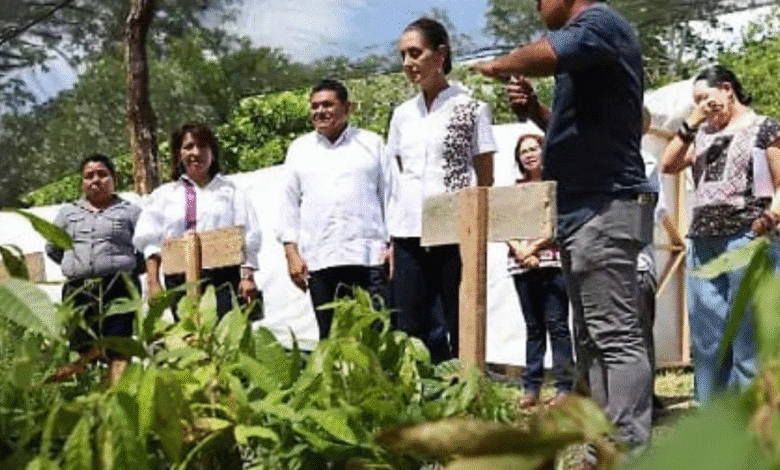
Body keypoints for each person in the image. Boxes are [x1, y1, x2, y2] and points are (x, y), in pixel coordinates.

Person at [474, 0, 655, 464]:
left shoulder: (600, 24)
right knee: (592, 339)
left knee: (614, 336)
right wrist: (536, 108)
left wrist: (501, 64)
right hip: (583, 208)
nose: (538, 5)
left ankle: (626, 449)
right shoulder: (592, 51)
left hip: (603, 204)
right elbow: (574, 132)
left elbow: (548, 52)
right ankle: (603, 446)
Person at [661, 65, 780, 406]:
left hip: (748, 236)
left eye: (705, 98)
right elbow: (668, 165)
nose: (702, 106)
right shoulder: (700, 133)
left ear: (727, 89)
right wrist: (691, 122)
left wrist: (770, 217)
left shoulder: (764, 127)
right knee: (707, 337)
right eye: (695, 101)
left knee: (749, 337)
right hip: (703, 241)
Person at [387, 17, 496, 361]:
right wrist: (390, 239)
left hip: (454, 230)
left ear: (441, 55)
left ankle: (467, 398)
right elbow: (398, 175)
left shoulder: (471, 109)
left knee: (460, 318)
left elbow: (485, 178)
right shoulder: (402, 115)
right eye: (403, 55)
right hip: (408, 233)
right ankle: (420, 400)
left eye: (415, 53)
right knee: (408, 323)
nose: (408, 63)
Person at [278, 79, 390, 339]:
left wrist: (393, 245)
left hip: (369, 258)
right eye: (315, 106)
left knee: (377, 336)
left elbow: (391, 196)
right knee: (332, 339)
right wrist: (291, 252)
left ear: (347, 107)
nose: (320, 111)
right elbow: (288, 205)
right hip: (321, 260)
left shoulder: (372, 144)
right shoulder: (299, 150)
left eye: (328, 104)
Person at [133, 123, 261, 318]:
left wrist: (247, 277)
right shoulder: (164, 195)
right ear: (178, 154)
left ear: (213, 152)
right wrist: (153, 282)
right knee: (189, 336)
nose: (196, 152)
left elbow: (248, 236)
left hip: (224, 277)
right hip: (179, 277)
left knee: (225, 338)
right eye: (188, 147)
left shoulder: (230, 191)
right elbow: (150, 242)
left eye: (202, 146)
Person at [45, 154, 142, 384]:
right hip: (79, 291)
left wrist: (122, 268)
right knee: (81, 346)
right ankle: (87, 397)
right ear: (81, 183)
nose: (95, 180)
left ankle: (117, 399)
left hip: (119, 288)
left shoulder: (130, 211)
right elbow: (53, 247)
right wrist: (77, 266)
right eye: (89, 176)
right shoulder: (67, 213)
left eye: (102, 174)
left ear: (113, 178)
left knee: (118, 346)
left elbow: (145, 249)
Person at [507, 134, 574, 408]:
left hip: (552, 264)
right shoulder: (514, 190)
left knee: (557, 326)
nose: (529, 154)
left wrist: (533, 248)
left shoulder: (558, 185)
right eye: (523, 151)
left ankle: (564, 388)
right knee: (533, 328)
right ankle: (531, 388)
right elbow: (503, 223)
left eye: (534, 148)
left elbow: (561, 225)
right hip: (521, 266)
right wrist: (522, 252)